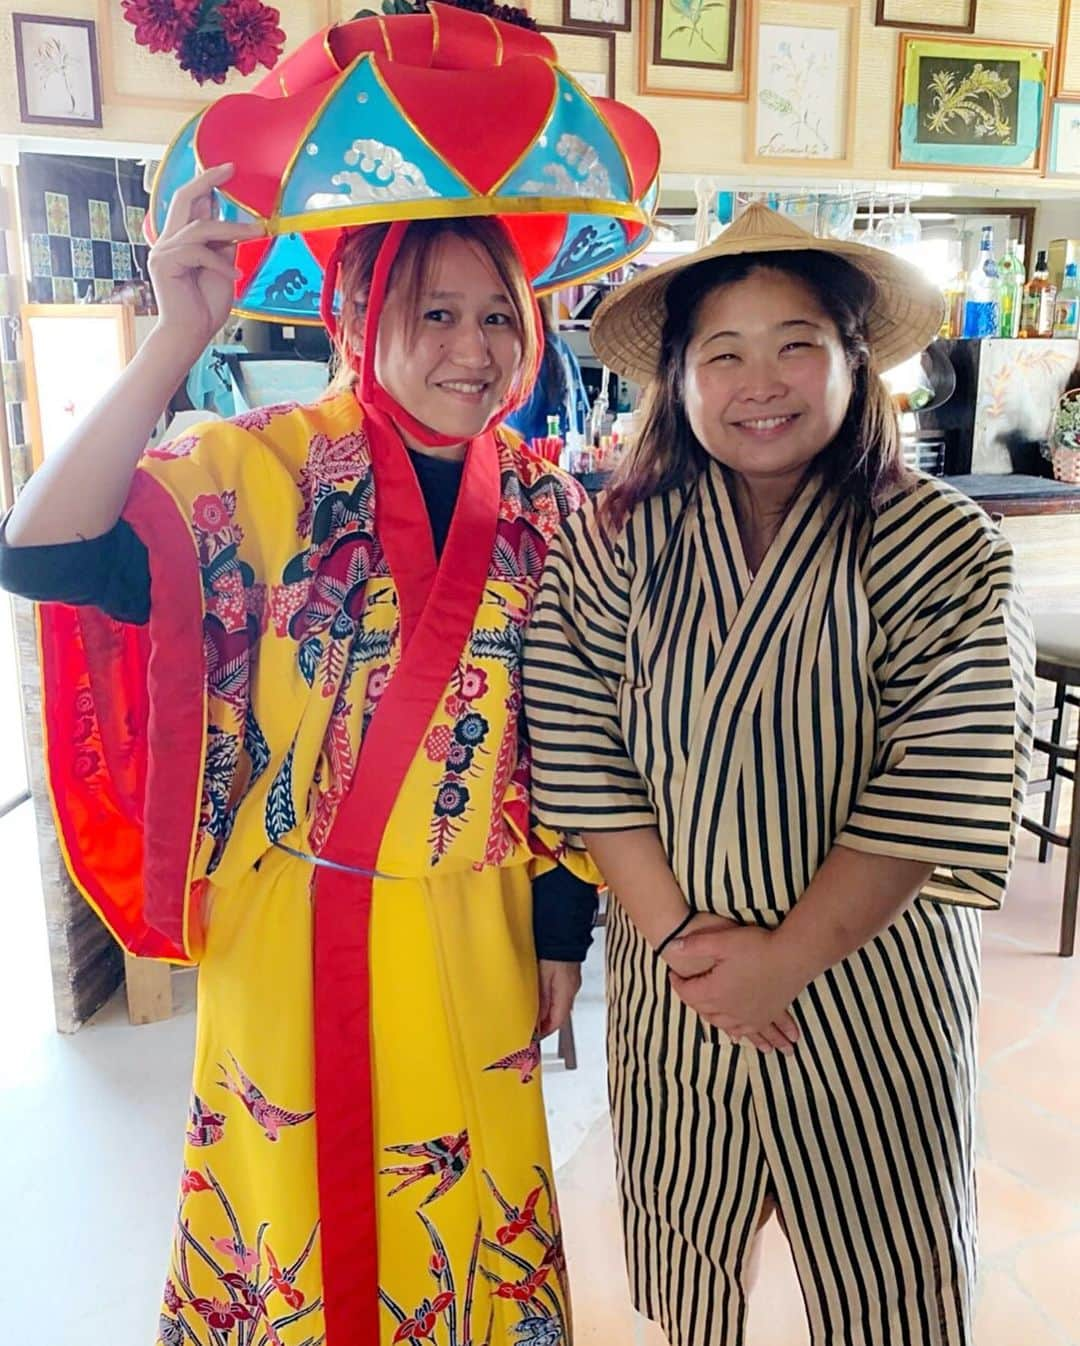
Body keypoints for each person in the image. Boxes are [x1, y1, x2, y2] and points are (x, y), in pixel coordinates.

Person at [0, 9, 661, 1345]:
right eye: (435, 312)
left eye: (497, 316)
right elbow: (42, 550)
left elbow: (580, 740)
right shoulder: (259, 469)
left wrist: (557, 934)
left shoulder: (547, 504)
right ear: (363, 309)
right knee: (287, 1224)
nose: (474, 351)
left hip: (472, 931)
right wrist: (171, 340)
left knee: (457, 1217)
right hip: (288, 931)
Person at [523, 203, 1035, 1346]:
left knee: (890, 1265)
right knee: (690, 1239)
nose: (764, 380)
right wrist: (691, 951)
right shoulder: (618, 537)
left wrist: (786, 963)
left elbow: (945, 772)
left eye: (798, 342)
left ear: (858, 362)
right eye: (724, 353)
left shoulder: (943, 544)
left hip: (869, 985)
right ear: (680, 380)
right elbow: (570, 730)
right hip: (680, 978)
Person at [505, 297, 590, 445]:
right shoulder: (562, 347)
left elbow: (517, 430)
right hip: (568, 455)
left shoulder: (530, 353)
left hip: (533, 459)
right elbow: (584, 411)